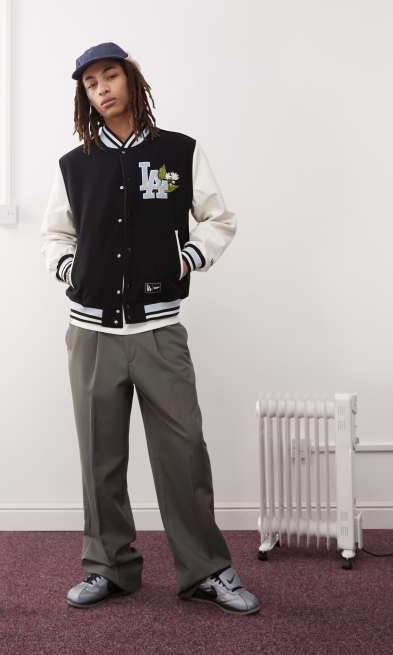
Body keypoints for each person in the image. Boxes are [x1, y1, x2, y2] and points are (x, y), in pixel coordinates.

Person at [40, 41, 260, 615]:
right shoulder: (74, 165)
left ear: (131, 80)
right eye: (91, 83)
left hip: (160, 332)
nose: (102, 88)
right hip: (92, 335)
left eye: (110, 76)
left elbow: (218, 219)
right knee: (100, 458)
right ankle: (108, 568)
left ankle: (207, 570)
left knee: (184, 452)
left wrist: (187, 259)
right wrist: (69, 269)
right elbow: (55, 234)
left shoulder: (178, 152)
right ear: (85, 97)